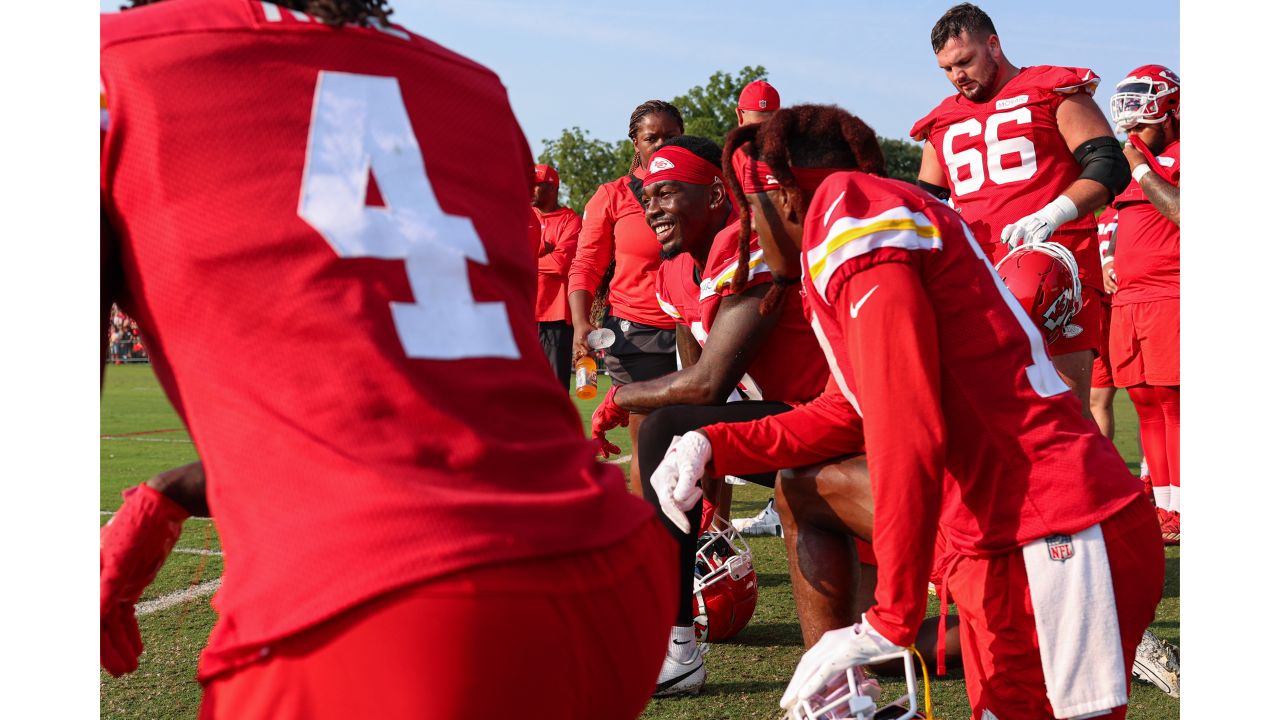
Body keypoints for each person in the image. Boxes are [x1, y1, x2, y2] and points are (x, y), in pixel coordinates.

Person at [100, 2, 674, 717]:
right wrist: (172, 491)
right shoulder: (473, 87)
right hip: (604, 571)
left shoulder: (112, 68)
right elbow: (400, 411)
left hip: (378, 615)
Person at [655, 104, 1163, 719]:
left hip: (1051, 529)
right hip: (1007, 534)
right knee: (804, 486)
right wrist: (715, 445)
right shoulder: (858, 232)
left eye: (751, 213)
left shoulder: (850, 209)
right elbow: (850, 411)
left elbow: (908, 424)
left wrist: (891, 615)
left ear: (786, 197)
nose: (749, 235)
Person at [590, 136, 828, 696]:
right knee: (665, 425)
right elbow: (697, 389)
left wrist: (619, 398)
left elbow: (705, 386)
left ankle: (676, 645)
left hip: (832, 419)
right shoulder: (674, 273)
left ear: (718, 192)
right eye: (646, 197)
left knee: (667, 423)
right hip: (788, 425)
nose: (653, 209)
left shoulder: (743, 244)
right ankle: (666, 626)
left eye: (668, 192)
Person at [910, 3, 1130, 415]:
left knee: (1063, 411)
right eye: (946, 69)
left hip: (1057, 264)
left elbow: (1109, 164)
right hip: (979, 276)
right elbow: (924, 202)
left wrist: (1054, 213)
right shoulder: (941, 120)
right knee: (985, 413)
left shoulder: (1050, 88)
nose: (957, 75)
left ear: (993, 45)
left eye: (965, 61)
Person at [568, 100, 684, 493]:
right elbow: (585, 265)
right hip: (637, 336)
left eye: (672, 136)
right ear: (636, 142)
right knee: (653, 444)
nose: (663, 143)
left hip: (696, 332)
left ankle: (708, 544)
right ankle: (653, 537)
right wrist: (582, 321)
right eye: (653, 137)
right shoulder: (612, 196)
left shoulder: (701, 190)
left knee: (705, 441)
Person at [1109, 65, 1182, 544]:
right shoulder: (1133, 165)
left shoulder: (1180, 154)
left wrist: (1139, 165)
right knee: (1143, 399)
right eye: (1127, 128)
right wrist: (1110, 257)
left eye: (1141, 125)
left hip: (1171, 291)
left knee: (1175, 400)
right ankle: (1162, 501)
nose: (1132, 135)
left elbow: (1179, 210)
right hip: (1129, 300)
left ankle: (1184, 504)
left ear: (1172, 113)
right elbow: (1120, 223)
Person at [531, 163, 581, 389]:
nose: (529, 189)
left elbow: (560, 264)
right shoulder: (520, 215)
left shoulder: (571, 221)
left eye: (536, 186)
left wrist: (527, 258)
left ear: (553, 189)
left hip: (556, 317)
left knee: (554, 389)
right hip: (523, 314)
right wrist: (543, 254)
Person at [1092, 204, 1121, 438]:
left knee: (1150, 395)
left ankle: (1150, 469)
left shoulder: (1142, 202)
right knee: (1096, 397)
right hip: (1100, 310)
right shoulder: (1102, 216)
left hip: (1125, 305)